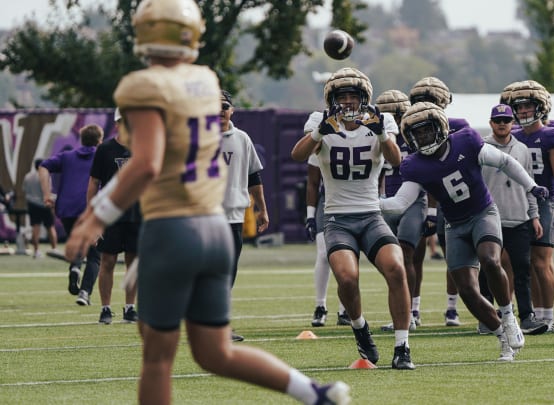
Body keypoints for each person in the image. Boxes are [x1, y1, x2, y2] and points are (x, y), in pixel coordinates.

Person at [64, 1, 350, 403]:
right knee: (215, 351)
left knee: (157, 359)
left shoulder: (142, 85)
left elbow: (145, 164)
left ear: (144, 33)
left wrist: (97, 217)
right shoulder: (205, 80)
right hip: (216, 228)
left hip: (172, 228)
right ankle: (313, 393)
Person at [381, 101, 549, 361]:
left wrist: (531, 186)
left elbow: (504, 161)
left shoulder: (466, 141)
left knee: (490, 259)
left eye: (427, 130)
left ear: (440, 127)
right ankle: (502, 338)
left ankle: (508, 315)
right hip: (454, 225)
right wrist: (368, 204)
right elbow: (400, 203)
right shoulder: (414, 165)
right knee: (468, 290)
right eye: (418, 133)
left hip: (483, 213)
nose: (424, 137)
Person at [291, 67, 415, 370]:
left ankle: (402, 347)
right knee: (347, 278)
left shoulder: (381, 120)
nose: (347, 102)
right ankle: (360, 326)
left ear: (364, 99)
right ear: (332, 100)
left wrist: (382, 132)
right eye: (341, 97)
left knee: (396, 268)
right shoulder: (319, 121)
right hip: (337, 219)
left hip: (371, 215)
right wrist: (321, 130)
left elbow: (397, 160)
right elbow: (297, 155)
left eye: (353, 97)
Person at [508, 80, 554, 331]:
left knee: (541, 260)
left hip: (543, 201)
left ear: (541, 107)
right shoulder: (512, 135)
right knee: (521, 262)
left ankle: (548, 316)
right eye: (520, 107)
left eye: (528, 106)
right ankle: (533, 313)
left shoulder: (552, 135)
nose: (523, 111)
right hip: (517, 201)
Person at [480, 104, 549, 336]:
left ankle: (527, 316)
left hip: (518, 217)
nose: (502, 124)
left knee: (522, 269)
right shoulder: (481, 148)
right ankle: (488, 317)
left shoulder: (522, 149)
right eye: (498, 120)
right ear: (491, 122)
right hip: (489, 217)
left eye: (506, 120)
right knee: (487, 267)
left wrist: (535, 215)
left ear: (513, 123)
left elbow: (529, 184)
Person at [407, 76, 469, 327]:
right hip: (420, 198)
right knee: (414, 257)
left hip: (456, 197)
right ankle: (413, 309)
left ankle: (452, 308)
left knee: (454, 257)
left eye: (431, 100)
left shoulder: (459, 126)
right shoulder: (410, 128)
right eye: (422, 101)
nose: (426, 105)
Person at [219, 89, 269, 342]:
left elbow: (253, 176)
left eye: (224, 106)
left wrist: (261, 208)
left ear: (232, 110)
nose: (219, 111)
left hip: (234, 217)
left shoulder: (242, 138)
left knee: (227, 274)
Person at [375, 89, 426, 332]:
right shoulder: (377, 137)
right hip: (388, 198)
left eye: (391, 112)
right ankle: (403, 310)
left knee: (406, 254)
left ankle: (412, 312)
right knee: (392, 259)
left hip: (415, 198)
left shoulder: (415, 136)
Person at [40, 124, 103, 306]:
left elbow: (44, 167)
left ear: (81, 139)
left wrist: (46, 194)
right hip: (90, 209)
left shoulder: (67, 157)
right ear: (99, 140)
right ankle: (84, 292)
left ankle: (75, 267)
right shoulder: (101, 156)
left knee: (79, 244)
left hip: (66, 209)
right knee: (94, 255)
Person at [89, 109, 141, 324]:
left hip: (137, 213)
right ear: (117, 123)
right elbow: (93, 183)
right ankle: (105, 308)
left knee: (133, 262)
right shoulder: (105, 149)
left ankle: (130, 307)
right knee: (107, 261)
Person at [305, 153, 350, 327]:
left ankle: (345, 308)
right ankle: (320, 305)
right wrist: (310, 216)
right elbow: (313, 182)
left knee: (349, 254)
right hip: (329, 201)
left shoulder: (362, 135)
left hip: (356, 201)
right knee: (324, 253)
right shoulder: (323, 139)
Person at [22, 158, 59, 258]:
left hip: (32, 205)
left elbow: (25, 190)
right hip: (44, 204)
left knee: (35, 227)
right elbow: (47, 191)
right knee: (50, 227)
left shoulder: (27, 176)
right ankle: (54, 249)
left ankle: (36, 251)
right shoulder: (45, 176)